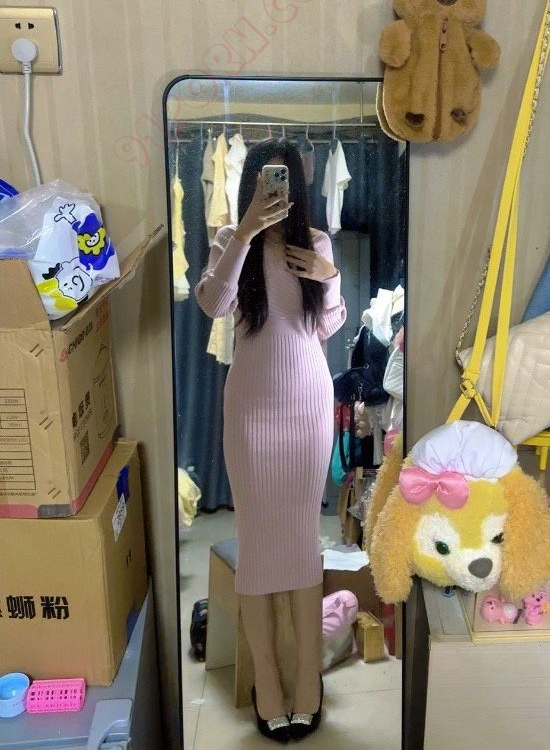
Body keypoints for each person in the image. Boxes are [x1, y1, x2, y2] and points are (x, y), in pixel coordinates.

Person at [195, 140, 346, 742]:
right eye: (264, 182)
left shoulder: (317, 243)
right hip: (252, 410)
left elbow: (326, 326)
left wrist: (331, 278)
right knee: (257, 549)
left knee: (304, 543)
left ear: (297, 188)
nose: (275, 191)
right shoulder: (231, 239)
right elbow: (213, 303)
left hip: (307, 404)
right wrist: (245, 233)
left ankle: (309, 677)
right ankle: (267, 680)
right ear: (251, 187)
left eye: (281, 182)